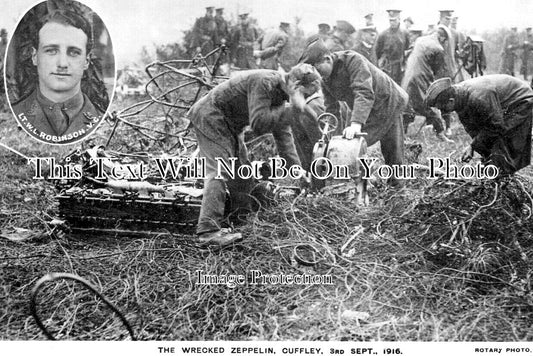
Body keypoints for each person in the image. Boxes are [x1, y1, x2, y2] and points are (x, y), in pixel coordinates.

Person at [188, 64, 321, 246]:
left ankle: (239, 220)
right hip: (211, 116)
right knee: (220, 170)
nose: (303, 101)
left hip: (229, 125)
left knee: (242, 173)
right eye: (305, 95)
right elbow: (258, 123)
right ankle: (208, 232)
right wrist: (291, 111)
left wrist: (297, 170)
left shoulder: (280, 97)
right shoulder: (265, 82)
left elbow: (283, 137)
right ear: (296, 86)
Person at [299, 38, 408, 186]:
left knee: (392, 150)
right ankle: (362, 183)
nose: (317, 76)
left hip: (388, 103)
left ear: (327, 59)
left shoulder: (353, 60)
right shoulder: (325, 78)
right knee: (351, 148)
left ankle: (398, 192)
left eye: (318, 69)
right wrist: (333, 139)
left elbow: (363, 92)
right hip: (366, 109)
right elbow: (332, 109)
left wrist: (355, 124)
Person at [11, 9, 103, 144]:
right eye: (51, 51)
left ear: (87, 61)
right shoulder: (14, 115)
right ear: (34, 56)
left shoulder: (103, 121)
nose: (62, 64)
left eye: (74, 52)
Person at [426, 76, 533, 174]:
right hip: (502, 103)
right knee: (492, 139)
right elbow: (473, 127)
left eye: (442, 108)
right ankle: (493, 167)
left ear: (451, 101)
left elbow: (496, 127)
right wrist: (474, 147)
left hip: (521, 100)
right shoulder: (459, 97)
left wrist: (473, 145)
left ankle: (501, 174)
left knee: (505, 137)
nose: (442, 112)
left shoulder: (478, 98)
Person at [401, 25, 453, 141]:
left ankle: (402, 134)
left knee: (407, 105)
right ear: (443, 38)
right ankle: (440, 133)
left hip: (408, 77)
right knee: (429, 104)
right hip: (420, 78)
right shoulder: (438, 48)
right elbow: (438, 71)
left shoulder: (420, 40)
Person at [375, 9, 410, 84]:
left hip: (400, 68)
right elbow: (377, 51)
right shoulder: (383, 34)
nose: (392, 23)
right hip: (387, 67)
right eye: (390, 20)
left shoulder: (404, 33)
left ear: (399, 19)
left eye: (394, 20)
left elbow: (407, 48)